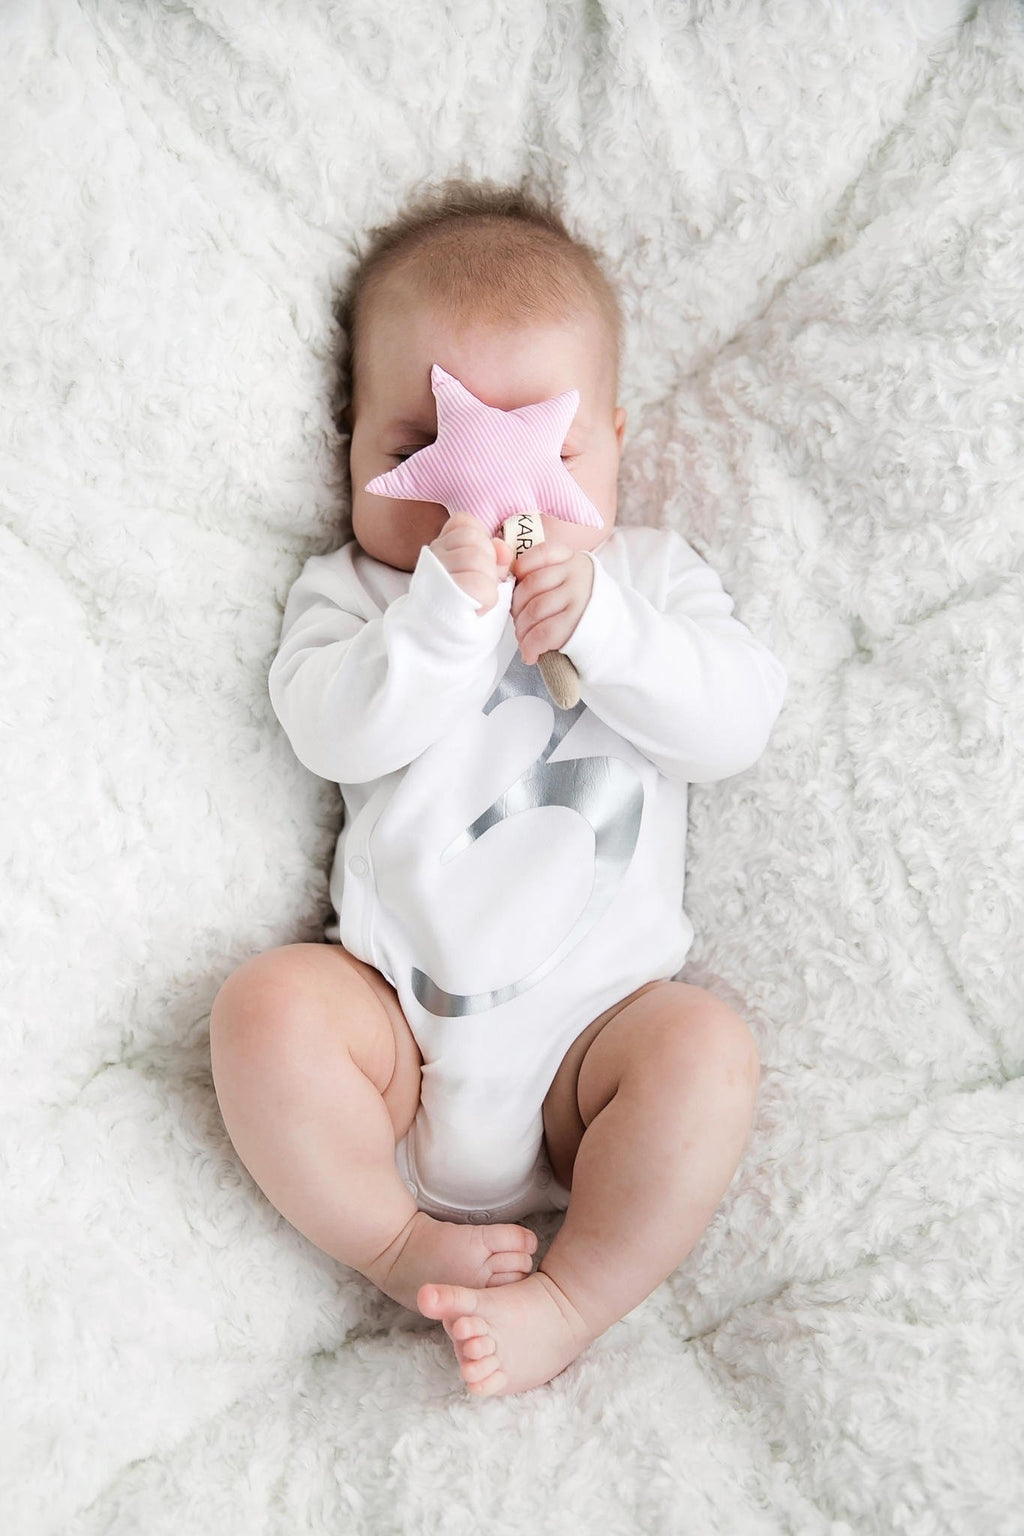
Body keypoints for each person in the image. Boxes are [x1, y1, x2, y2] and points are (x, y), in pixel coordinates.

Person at [209, 179, 788, 1398]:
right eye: (409, 450)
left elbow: (732, 725)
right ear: (348, 454)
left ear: (613, 447)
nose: (474, 491)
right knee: (266, 1013)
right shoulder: (356, 597)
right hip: (394, 1045)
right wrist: (438, 621)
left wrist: (615, 633)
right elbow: (332, 734)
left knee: (708, 1054)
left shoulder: (649, 580)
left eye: (549, 447)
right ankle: (393, 1240)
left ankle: (572, 1298)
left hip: (595, 1050)